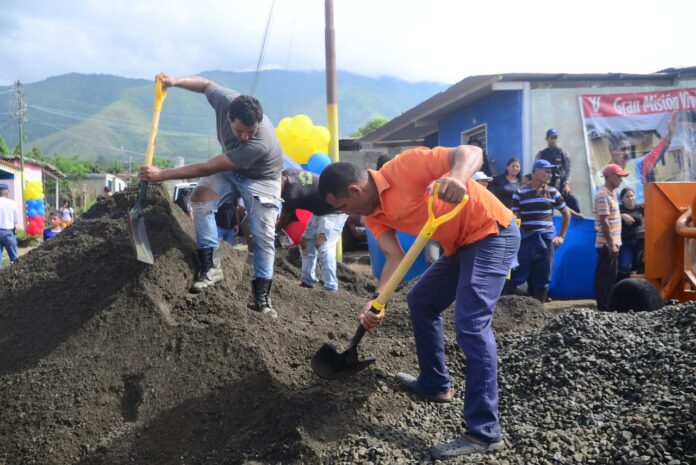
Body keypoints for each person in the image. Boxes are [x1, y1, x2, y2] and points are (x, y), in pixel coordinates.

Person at [318, 145, 520, 459]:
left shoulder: (405, 166)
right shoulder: (374, 216)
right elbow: (394, 258)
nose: (347, 214)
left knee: (470, 324)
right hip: (460, 246)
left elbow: (471, 150)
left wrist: (455, 176)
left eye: (344, 206)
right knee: (421, 299)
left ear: (355, 189)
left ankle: (484, 431)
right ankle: (435, 384)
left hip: (493, 232)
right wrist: (377, 303)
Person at [139, 72, 283, 318]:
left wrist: (163, 174)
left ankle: (262, 297)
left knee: (263, 235)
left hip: (262, 179)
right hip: (231, 171)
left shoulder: (259, 142)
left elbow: (208, 167)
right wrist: (175, 82)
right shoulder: (225, 99)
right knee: (200, 199)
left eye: (251, 130)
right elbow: (206, 84)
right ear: (230, 117)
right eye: (240, 130)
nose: (245, 136)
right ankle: (211, 267)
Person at [508, 159, 571, 302]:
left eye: (551, 172)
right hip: (525, 239)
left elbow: (567, 213)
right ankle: (510, 308)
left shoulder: (553, 192)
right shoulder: (520, 193)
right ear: (535, 171)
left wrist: (561, 236)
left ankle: (539, 308)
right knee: (517, 273)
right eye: (547, 171)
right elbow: (514, 217)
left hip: (546, 239)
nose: (550, 174)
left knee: (543, 275)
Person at [277, 168, 347, 292]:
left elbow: (282, 222)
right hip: (319, 210)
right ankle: (307, 281)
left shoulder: (291, 195)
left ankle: (331, 287)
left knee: (323, 245)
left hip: (335, 210)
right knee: (305, 242)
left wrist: (272, 231)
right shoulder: (288, 173)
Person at [594, 164, 628, 311]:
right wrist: (611, 244)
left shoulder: (612, 194)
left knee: (610, 276)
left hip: (613, 242)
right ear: (609, 177)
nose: (621, 180)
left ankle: (607, 305)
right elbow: (604, 221)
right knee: (605, 276)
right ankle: (603, 307)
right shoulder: (602, 195)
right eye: (618, 177)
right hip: (607, 244)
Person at [535, 128, 581, 214]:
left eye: (555, 137)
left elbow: (568, 170)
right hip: (546, 188)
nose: (554, 140)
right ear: (547, 139)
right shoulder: (541, 154)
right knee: (546, 211)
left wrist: (567, 184)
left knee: (574, 204)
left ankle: (575, 225)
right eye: (552, 137)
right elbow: (536, 172)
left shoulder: (563, 153)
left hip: (561, 186)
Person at [618, 187, 645, 279]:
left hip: (640, 242)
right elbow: (608, 216)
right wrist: (622, 215)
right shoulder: (619, 209)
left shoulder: (640, 208)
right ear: (622, 199)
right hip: (625, 242)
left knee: (640, 266)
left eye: (632, 196)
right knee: (624, 266)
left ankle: (639, 288)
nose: (630, 198)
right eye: (627, 197)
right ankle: (621, 287)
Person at [0, 183, 19, 267]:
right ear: (7, 193)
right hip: (8, 232)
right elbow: (16, 220)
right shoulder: (12, 203)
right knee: (14, 258)